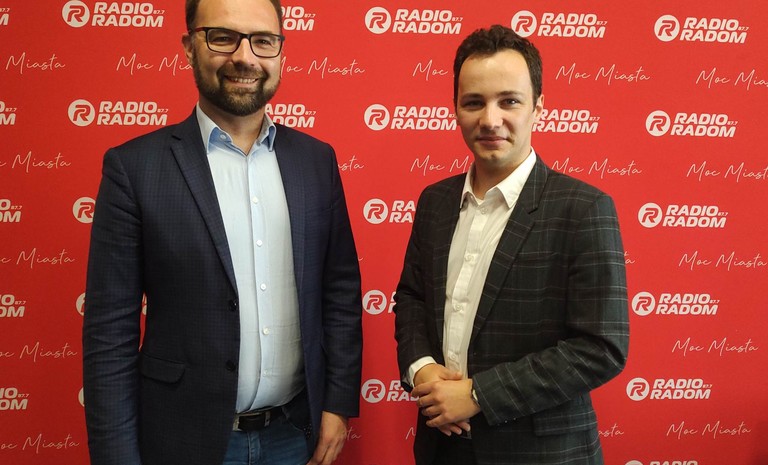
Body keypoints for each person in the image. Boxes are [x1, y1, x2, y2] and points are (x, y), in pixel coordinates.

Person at [82, 0, 362, 464]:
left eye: (262, 40)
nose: (245, 57)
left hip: (295, 436)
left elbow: (340, 292)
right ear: (189, 46)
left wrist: (337, 402)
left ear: (280, 52)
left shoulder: (316, 162)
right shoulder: (135, 169)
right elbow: (109, 334)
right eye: (223, 37)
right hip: (182, 441)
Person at [393, 25, 629, 465]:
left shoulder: (584, 208)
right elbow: (411, 297)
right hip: (441, 447)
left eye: (509, 101)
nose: (490, 119)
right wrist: (421, 368)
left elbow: (601, 348)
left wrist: (478, 394)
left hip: (541, 454)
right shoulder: (434, 202)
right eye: (474, 102)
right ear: (455, 109)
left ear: (538, 107)